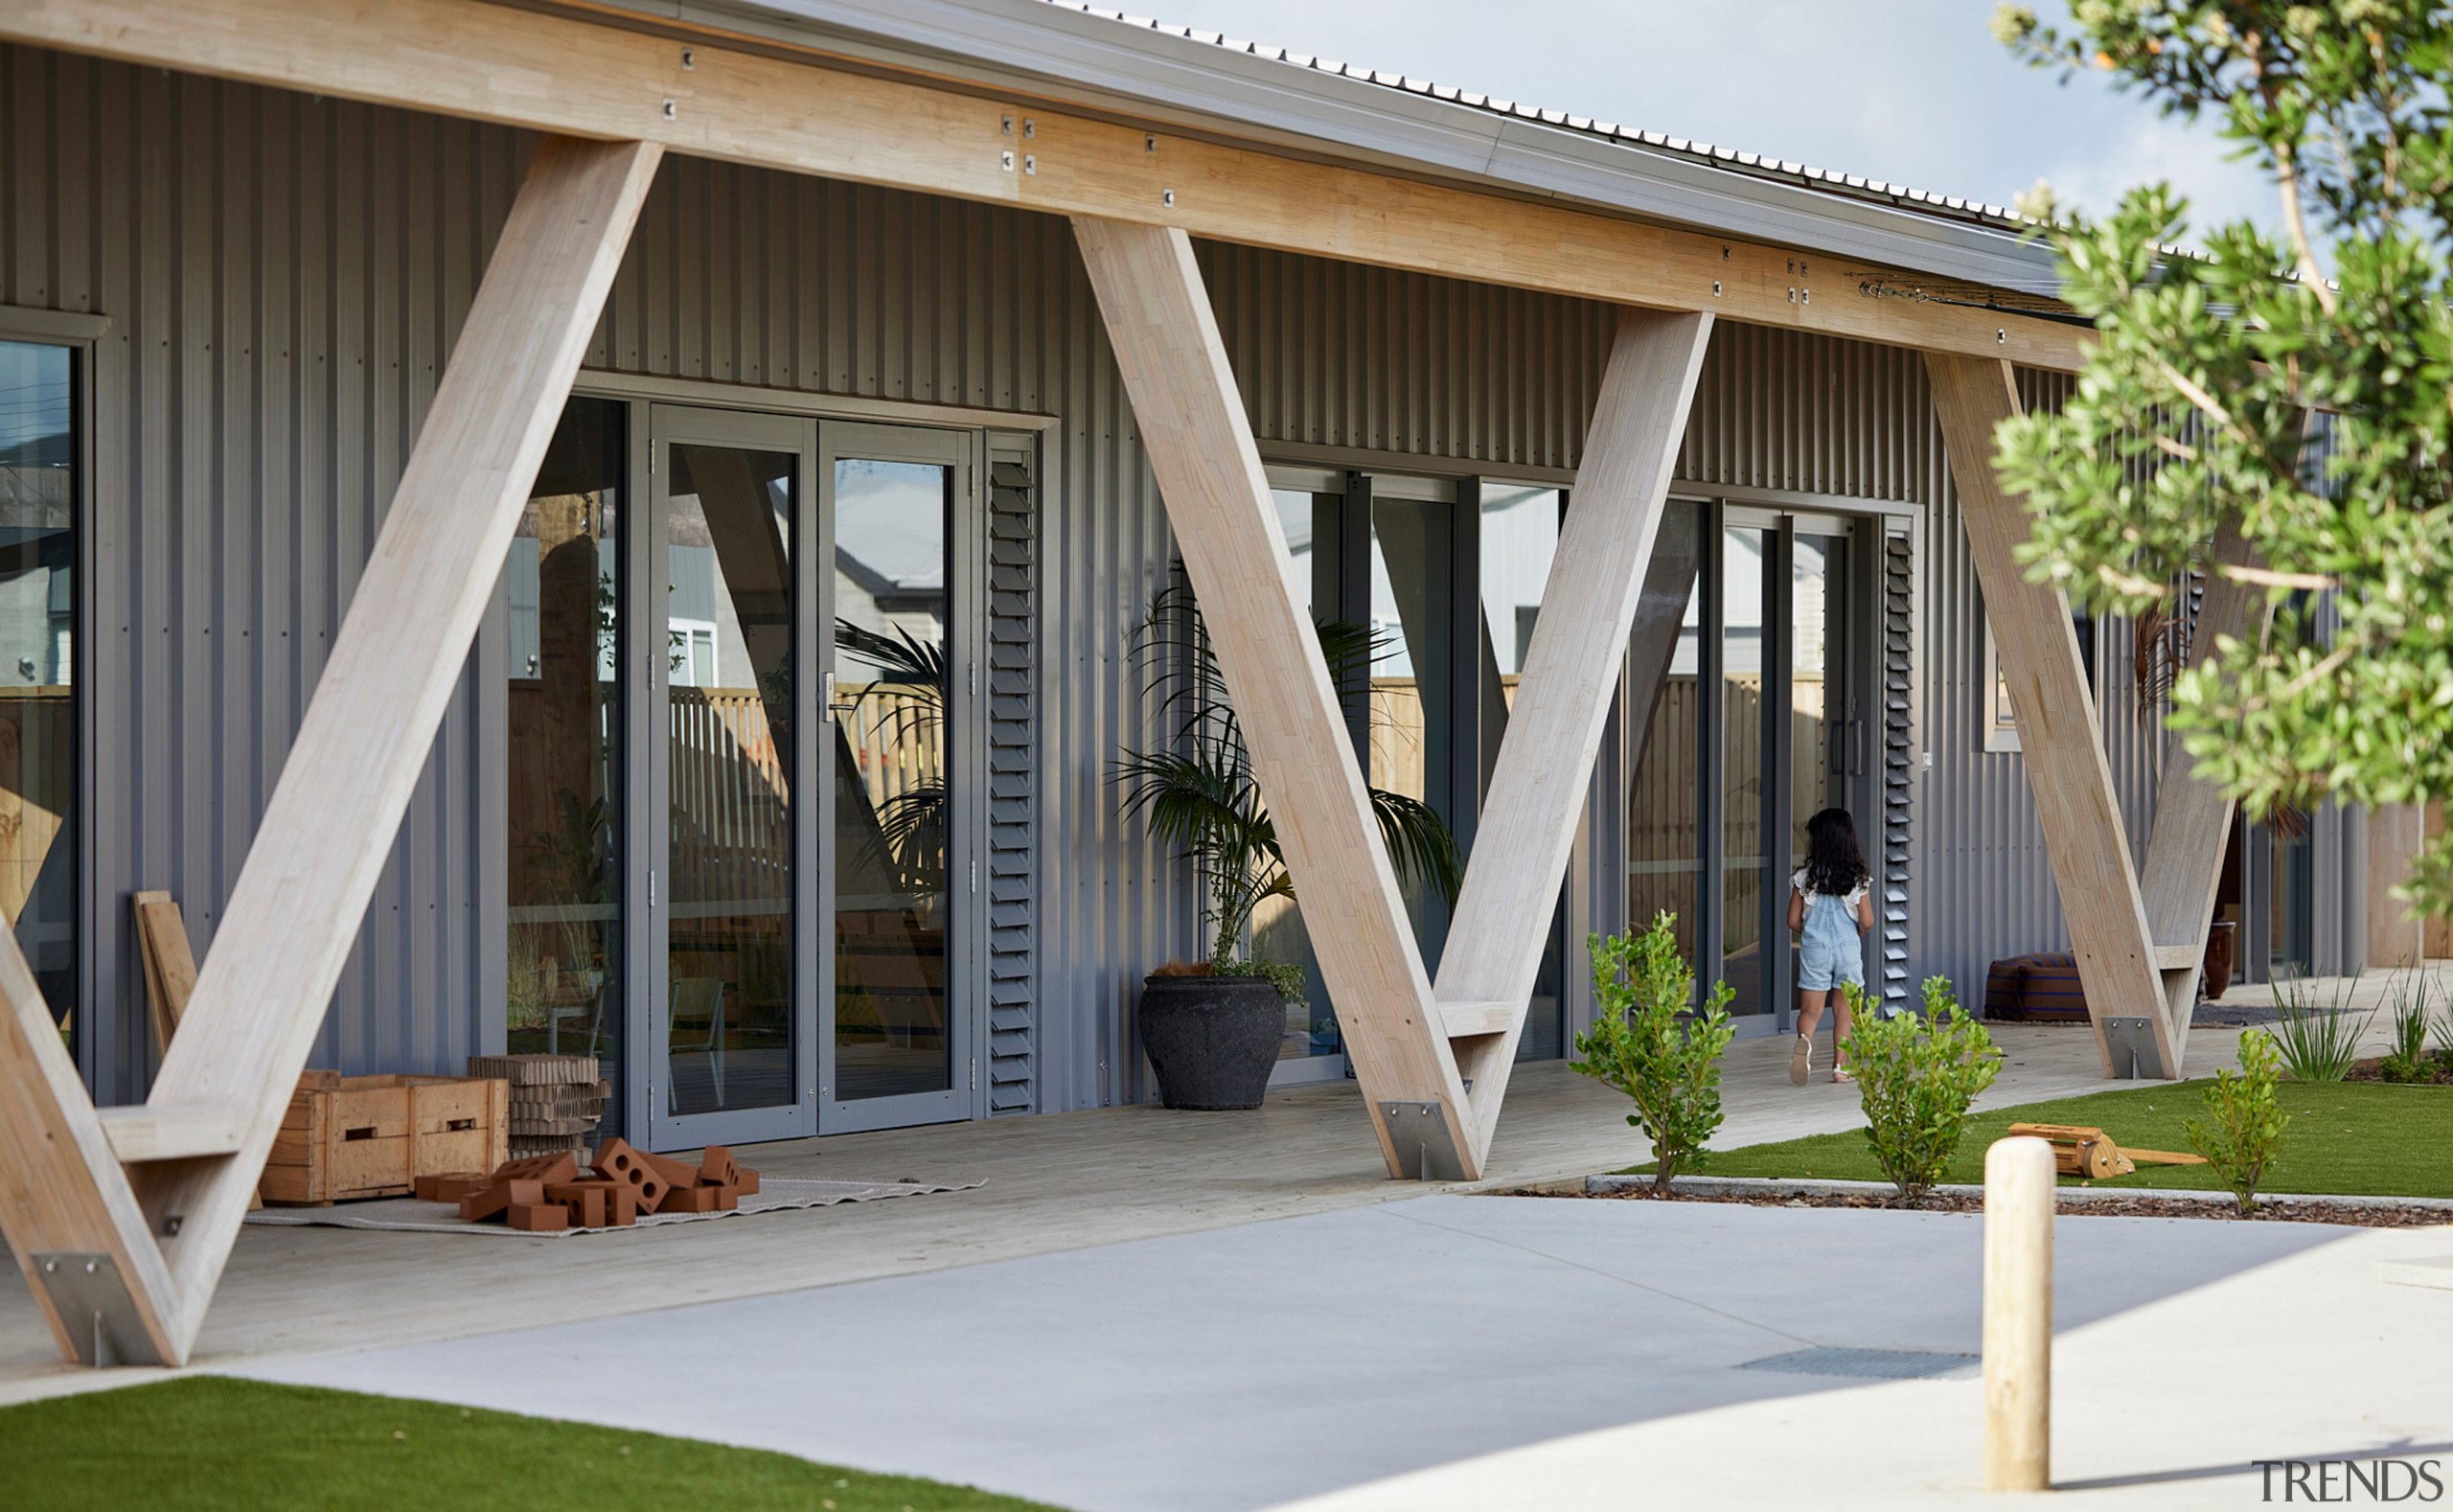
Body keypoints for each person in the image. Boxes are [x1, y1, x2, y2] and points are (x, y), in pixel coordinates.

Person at [1787, 807, 1873, 1086]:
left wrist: (1811, 933)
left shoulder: (1805, 878)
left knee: (1811, 1011)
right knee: (1843, 1013)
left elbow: (1792, 920)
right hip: (1847, 948)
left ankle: (1805, 1043)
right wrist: (1857, 932)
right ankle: (1839, 1068)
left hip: (1815, 948)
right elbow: (1868, 920)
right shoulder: (1857, 878)